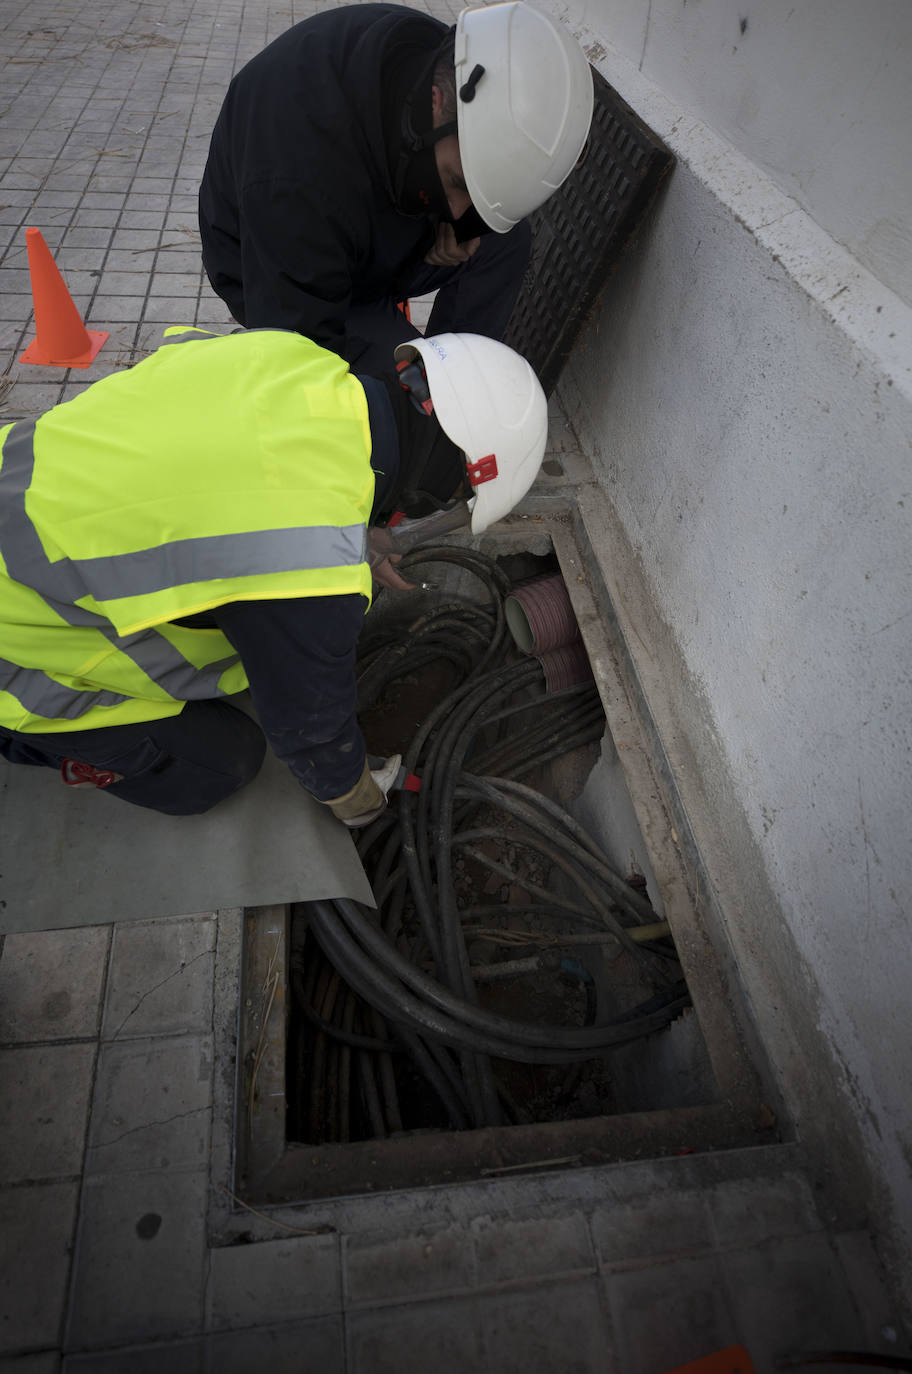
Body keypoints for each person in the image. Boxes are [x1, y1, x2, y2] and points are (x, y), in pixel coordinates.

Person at [0, 327, 548, 826]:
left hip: (15, 478)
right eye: (457, 502)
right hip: (18, 643)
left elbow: (238, 472)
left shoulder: (291, 354)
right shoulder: (311, 574)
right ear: (454, 472)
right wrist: (362, 799)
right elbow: (312, 737)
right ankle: (28, 739)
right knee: (221, 763)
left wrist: (354, 536)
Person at [198, 1, 593, 376]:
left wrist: (472, 223)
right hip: (277, 268)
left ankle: (455, 380)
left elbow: (464, 194)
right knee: (408, 395)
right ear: (436, 105)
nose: (459, 214)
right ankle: (430, 413)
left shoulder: (449, 66)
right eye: (458, 183)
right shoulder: (294, 175)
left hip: (367, 217)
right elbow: (297, 370)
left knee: (504, 243)